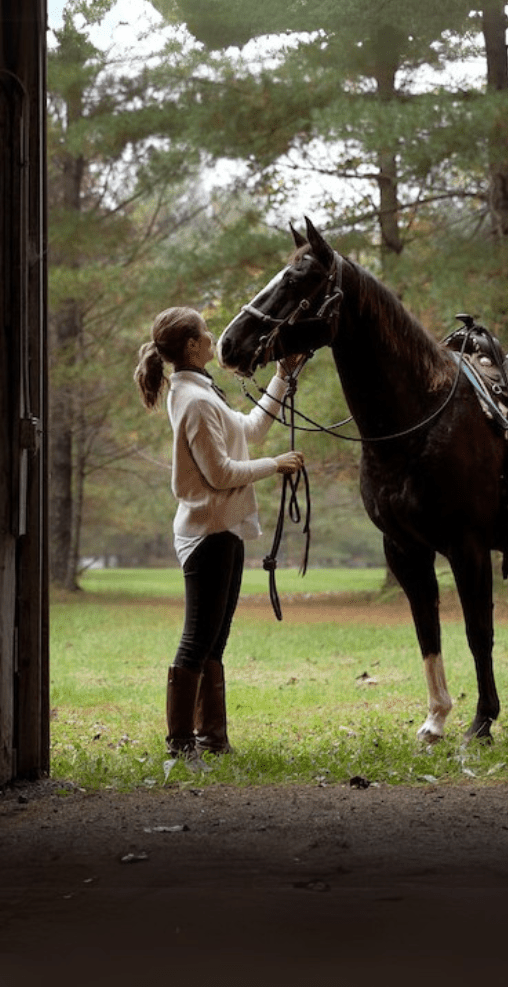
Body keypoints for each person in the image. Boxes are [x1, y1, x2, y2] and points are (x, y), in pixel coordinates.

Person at [132, 306, 305, 756]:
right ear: (192, 345)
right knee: (197, 639)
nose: (212, 337)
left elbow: (252, 427)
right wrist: (277, 466)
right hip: (207, 534)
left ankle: (212, 738)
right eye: (205, 332)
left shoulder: (201, 393)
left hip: (222, 529)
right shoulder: (193, 401)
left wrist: (284, 375)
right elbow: (221, 473)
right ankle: (181, 744)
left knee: (214, 639)